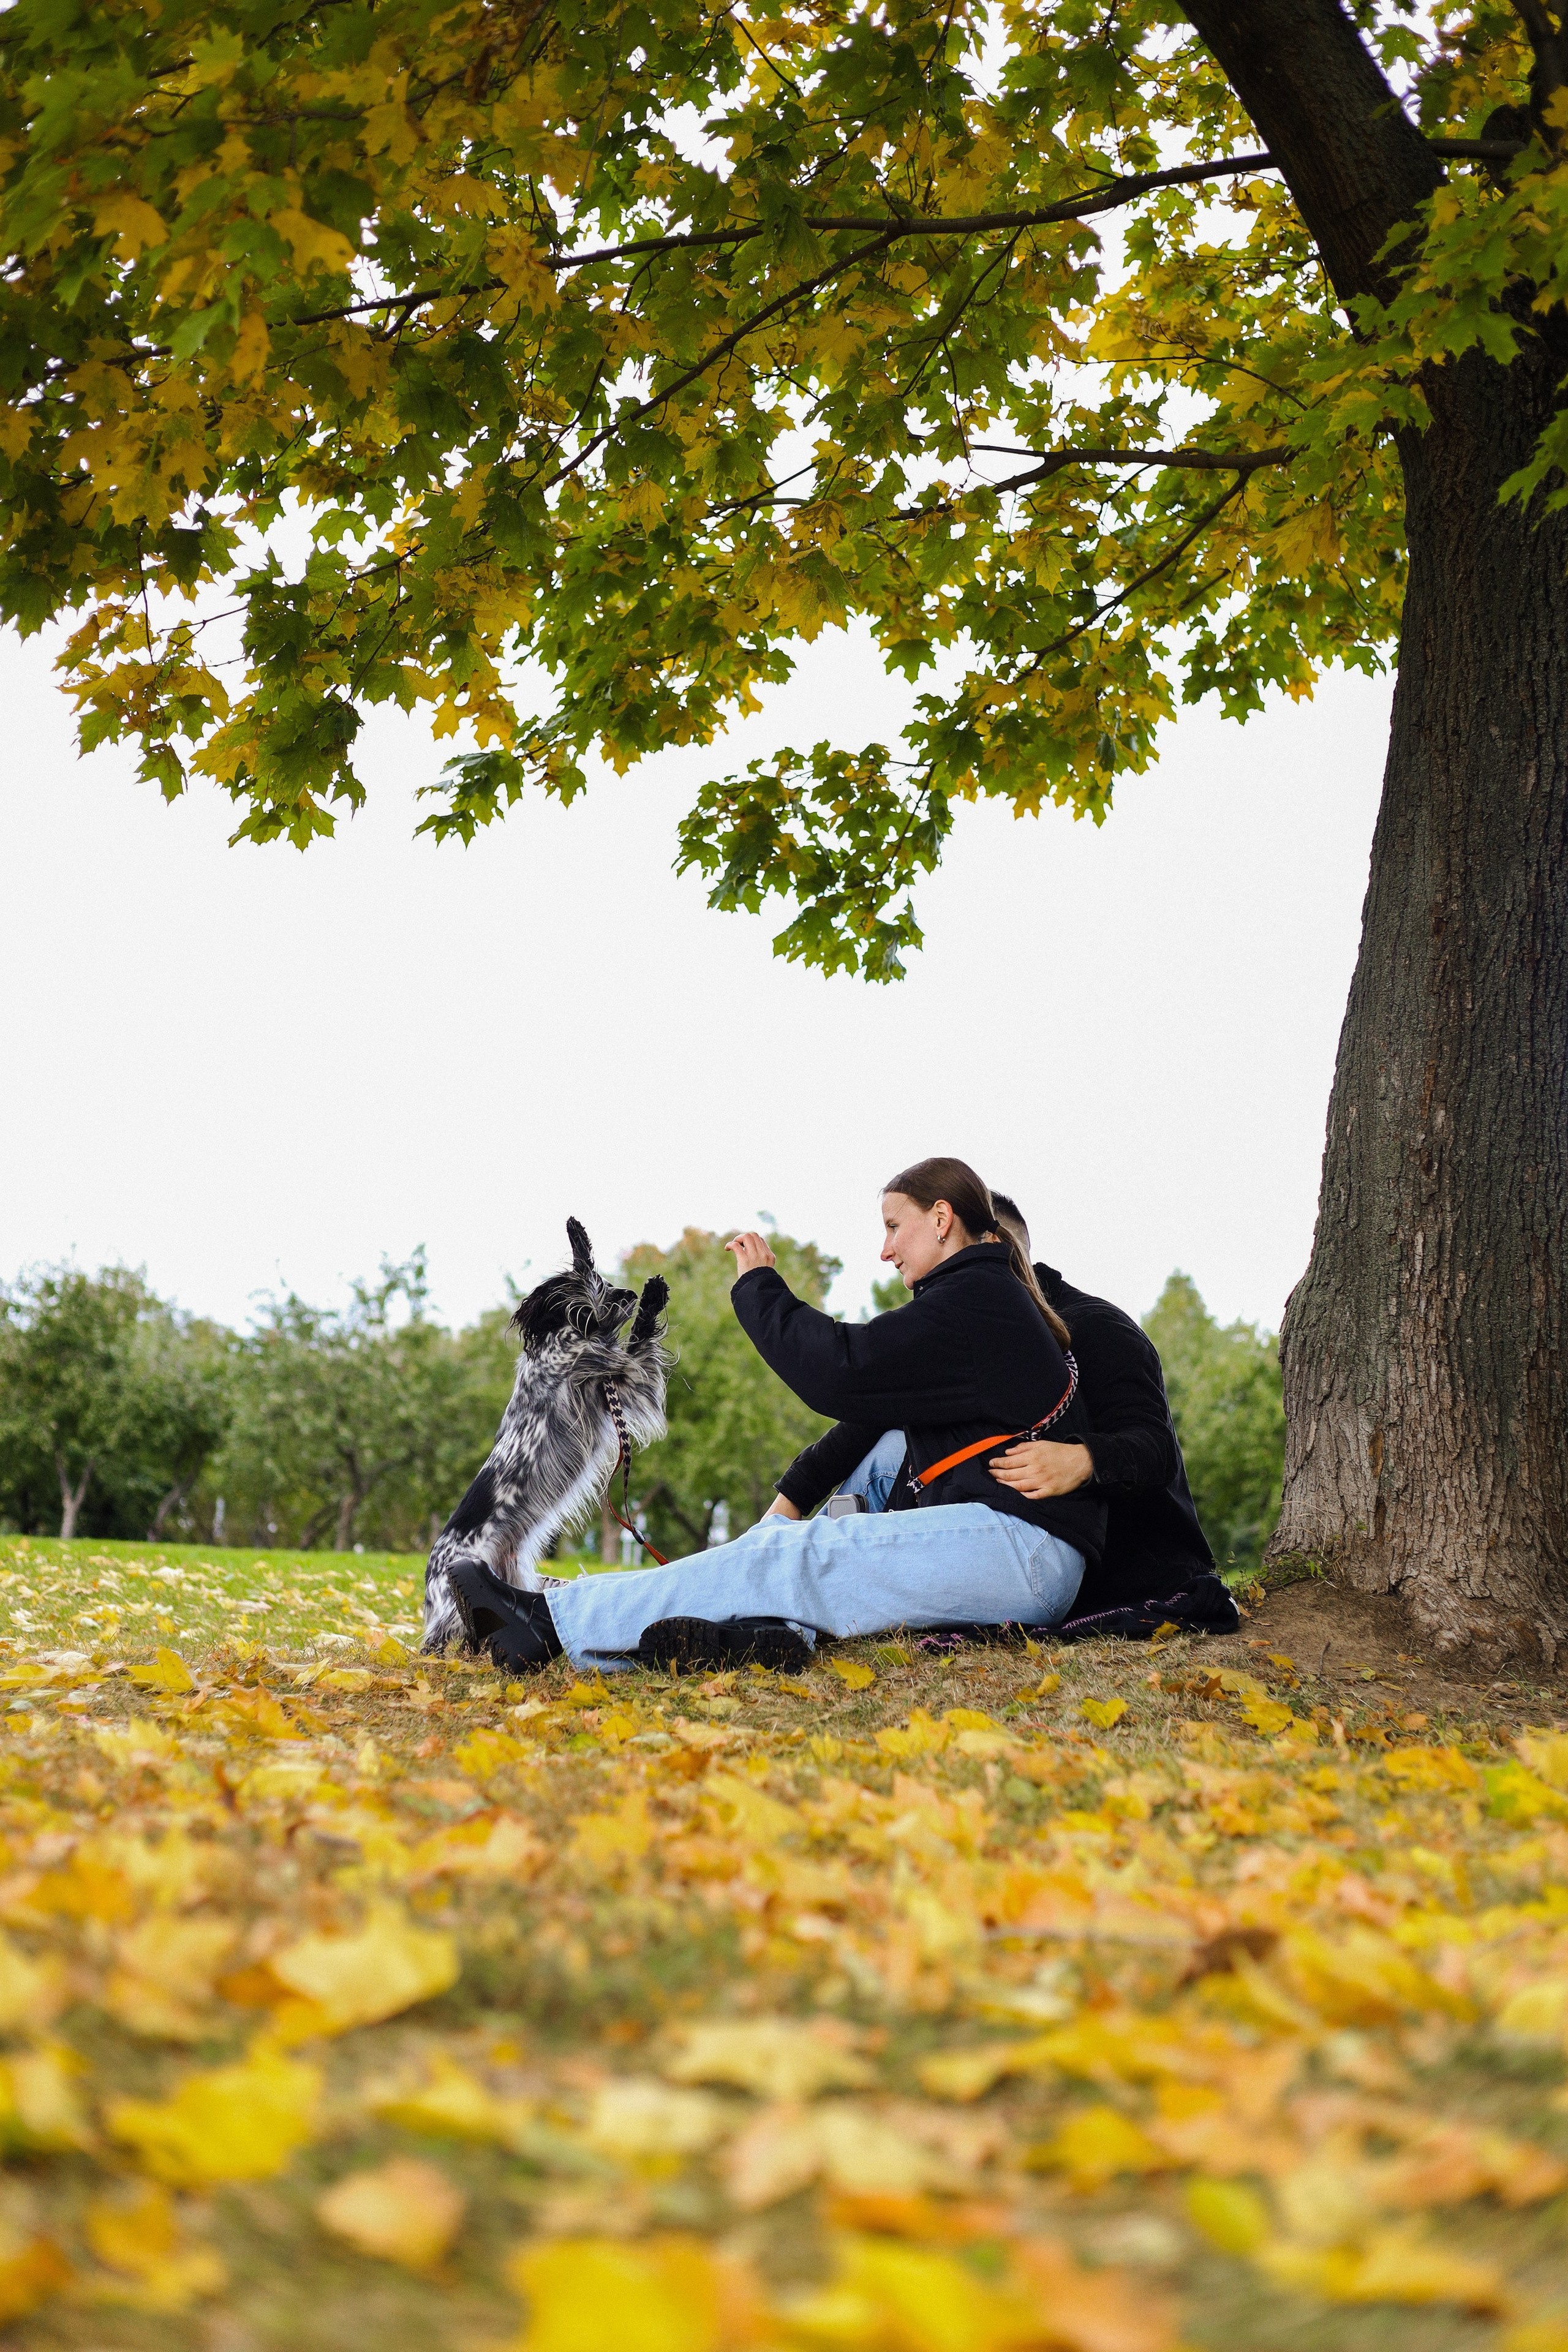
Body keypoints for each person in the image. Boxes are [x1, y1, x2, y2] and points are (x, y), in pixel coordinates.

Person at [447, 1157, 1106, 1675]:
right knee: (822, 1514)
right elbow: (861, 1421)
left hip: (1025, 1555)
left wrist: (759, 1288)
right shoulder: (977, 1299)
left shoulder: (976, 1301)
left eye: (891, 1226)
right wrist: (783, 1509)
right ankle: (759, 1630)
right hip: (1014, 1545)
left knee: (813, 1553)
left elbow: (841, 1371)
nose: (884, 1250)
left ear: (941, 1219)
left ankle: (550, 1623)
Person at [774, 1193, 1237, 1643]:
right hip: (992, 1533)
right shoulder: (964, 1329)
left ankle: (804, 1582)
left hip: (1104, 1559)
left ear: (993, 1251)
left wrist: (1083, 1459)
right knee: (894, 1445)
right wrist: (786, 1508)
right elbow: (869, 1417)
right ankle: (792, 1586)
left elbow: (1154, 1448)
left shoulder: (1097, 1327)